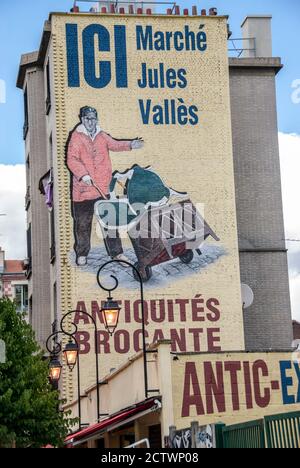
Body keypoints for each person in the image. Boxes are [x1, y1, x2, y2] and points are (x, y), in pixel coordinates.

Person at [66, 106, 144, 266]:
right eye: (87, 118)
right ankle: (82, 254)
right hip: (83, 192)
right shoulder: (76, 137)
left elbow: (115, 144)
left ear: (96, 120)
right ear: (82, 119)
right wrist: (84, 175)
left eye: (93, 118)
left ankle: (117, 254)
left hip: (102, 189)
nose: (90, 122)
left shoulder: (102, 136)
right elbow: (71, 160)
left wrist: (131, 144)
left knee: (110, 222)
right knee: (82, 224)